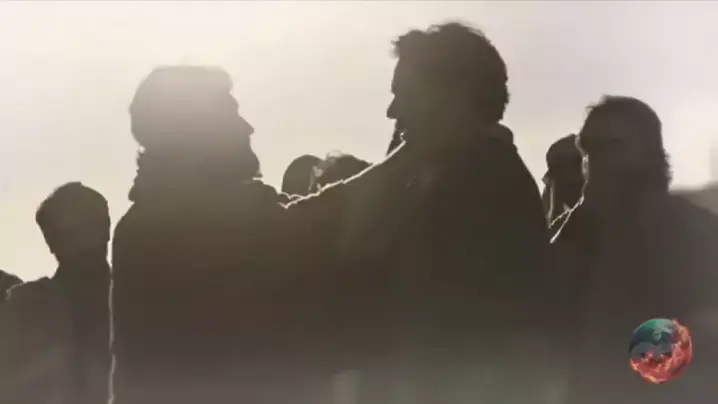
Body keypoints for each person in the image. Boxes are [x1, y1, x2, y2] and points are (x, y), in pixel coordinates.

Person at [308, 22, 564, 404]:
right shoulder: (446, 175)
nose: (392, 111)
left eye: (404, 94)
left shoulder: (483, 185)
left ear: (452, 96)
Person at [112, 65, 291, 404]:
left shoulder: (140, 225)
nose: (247, 127)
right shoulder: (218, 221)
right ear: (197, 135)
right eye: (231, 115)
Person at [566, 96, 718, 404]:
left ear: (650, 152)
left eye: (613, 146)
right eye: (590, 150)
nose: (597, 162)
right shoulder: (582, 233)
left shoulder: (696, 231)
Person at [0, 182, 112, 404]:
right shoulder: (26, 307)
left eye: (86, 228)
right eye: (68, 233)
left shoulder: (25, 306)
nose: (80, 243)